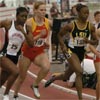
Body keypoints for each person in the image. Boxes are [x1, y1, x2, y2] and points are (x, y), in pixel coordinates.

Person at [45, 3, 98, 100]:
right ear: (78, 13)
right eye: (84, 13)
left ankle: (54, 78)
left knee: (67, 74)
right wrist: (63, 46)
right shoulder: (71, 25)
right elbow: (59, 35)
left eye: (87, 13)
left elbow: (96, 41)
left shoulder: (90, 26)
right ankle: (80, 98)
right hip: (70, 50)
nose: (86, 15)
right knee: (79, 72)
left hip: (81, 51)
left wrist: (89, 41)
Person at [13, 1, 52, 99]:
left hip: (39, 52)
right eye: (41, 10)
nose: (43, 12)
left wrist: (46, 41)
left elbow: (48, 34)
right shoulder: (30, 23)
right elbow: (27, 41)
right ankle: (15, 95)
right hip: (26, 52)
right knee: (22, 77)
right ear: (35, 11)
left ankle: (35, 85)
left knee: (46, 67)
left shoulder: (48, 22)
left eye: (44, 10)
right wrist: (39, 36)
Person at [0, 7, 34, 100]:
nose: (24, 18)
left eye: (26, 17)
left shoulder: (27, 28)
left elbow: (31, 44)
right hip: (4, 55)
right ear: (16, 16)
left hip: (15, 57)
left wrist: (23, 31)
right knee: (16, 72)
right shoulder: (8, 23)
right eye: (22, 16)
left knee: (2, 79)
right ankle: (6, 94)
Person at [88, 28, 100, 100]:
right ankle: (97, 98)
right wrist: (96, 53)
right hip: (99, 56)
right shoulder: (98, 31)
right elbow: (90, 45)